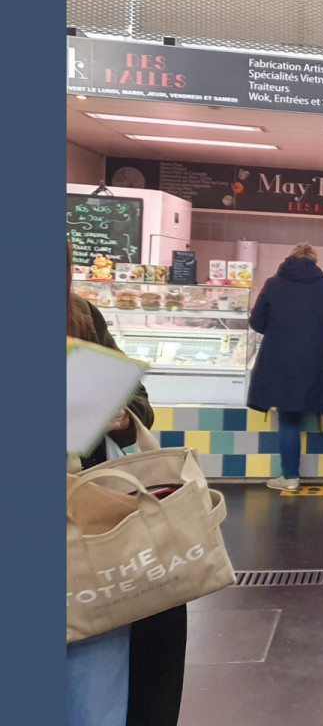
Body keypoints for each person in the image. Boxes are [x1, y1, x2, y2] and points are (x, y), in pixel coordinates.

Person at [67, 243, 186, 726]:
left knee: (102, 676)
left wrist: (121, 415)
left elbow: (138, 399)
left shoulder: (81, 314)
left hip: (90, 518)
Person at [248, 243, 323, 491]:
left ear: (289, 259)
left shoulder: (273, 285)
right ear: (314, 262)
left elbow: (257, 321)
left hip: (284, 361)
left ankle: (290, 478)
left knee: (289, 416)